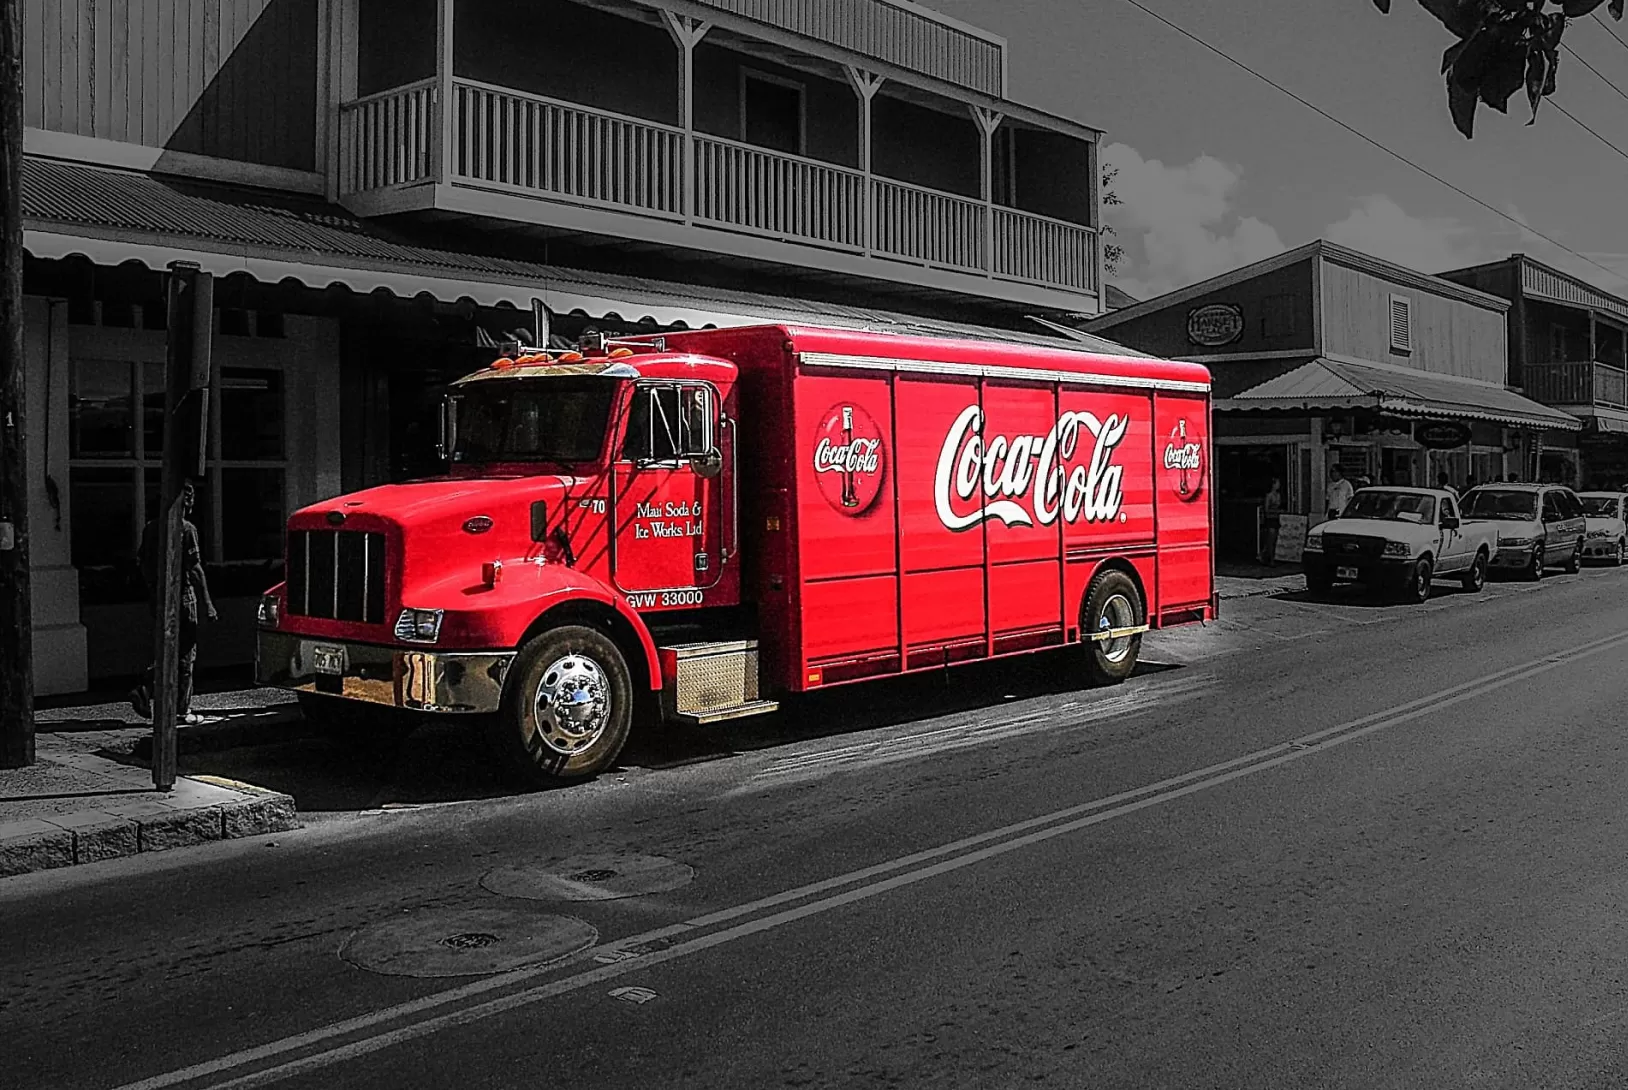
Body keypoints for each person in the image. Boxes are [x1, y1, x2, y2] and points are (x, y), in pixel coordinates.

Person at [128, 480, 217, 724]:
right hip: (182, 595)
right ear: (187, 500)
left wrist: (154, 590)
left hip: (158, 596)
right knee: (185, 654)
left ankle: (147, 689)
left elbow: (143, 564)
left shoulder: (151, 529)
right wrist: (207, 602)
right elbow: (195, 569)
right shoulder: (186, 529)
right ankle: (180, 709)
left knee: (166, 647)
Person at [1260, 478, 1283, 566]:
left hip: (1276, 518)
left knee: (1274, 540)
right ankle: (1270, 559)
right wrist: (1275, 511)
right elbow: (1266, 509)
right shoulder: (1269, 496)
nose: (1278, 485)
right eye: (1277, 483)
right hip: (1270, 519)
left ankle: (1267, 556)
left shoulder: (1278, 495)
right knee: (1270, 540)